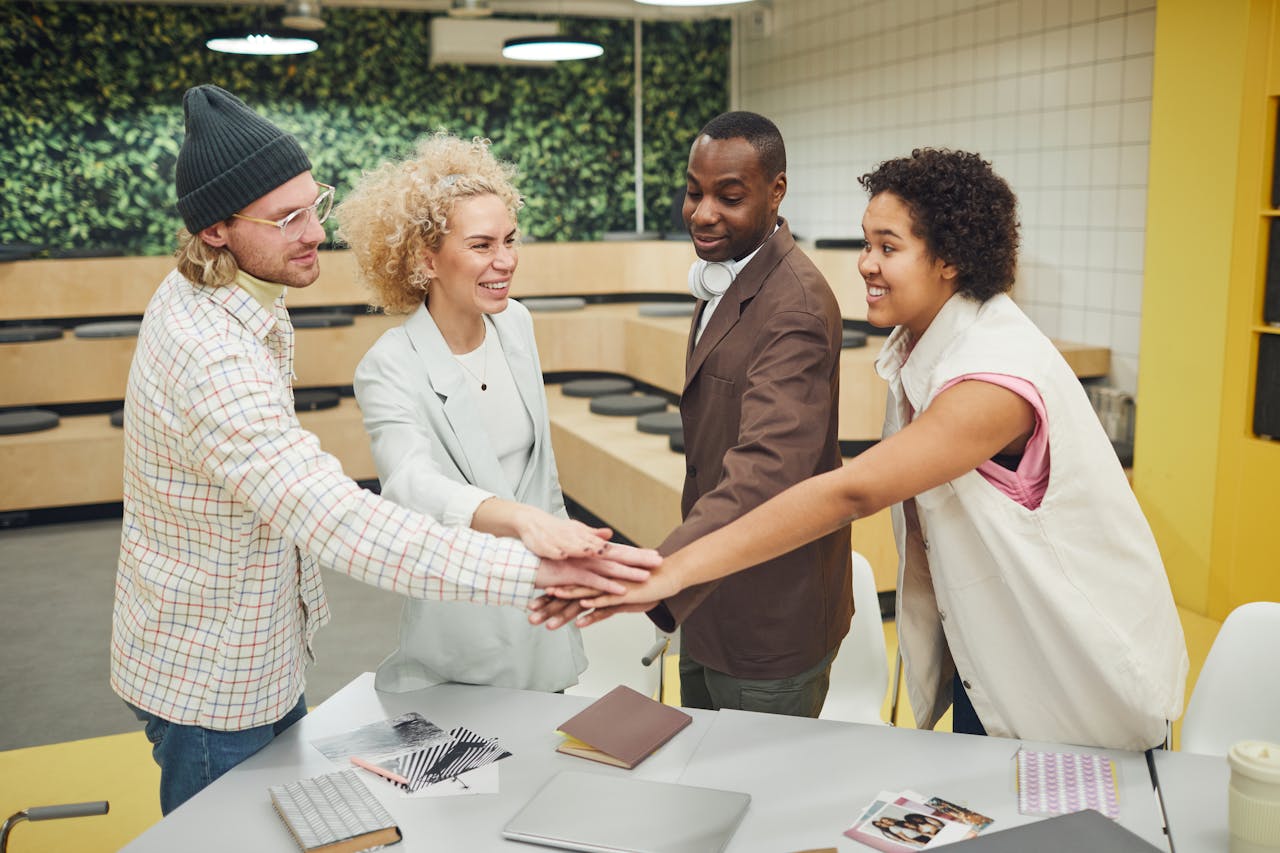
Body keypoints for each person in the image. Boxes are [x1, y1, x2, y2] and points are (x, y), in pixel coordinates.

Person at [110, 85, 657, 815]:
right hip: (212, 675)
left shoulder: (236, 302)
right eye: (286, 218)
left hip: (257, 656)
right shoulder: (214, 354)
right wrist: (538, 566)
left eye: (316, 203)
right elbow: (342, 518)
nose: (314, 231)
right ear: (215, 229)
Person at [535, 148, 1189, 751]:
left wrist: (668, 570)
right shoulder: (924, 344)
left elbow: (852, 490)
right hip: (997, 647)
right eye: (867, 241)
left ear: (950, 259)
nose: (866, 263)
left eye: (888, 246)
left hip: (1077, 659)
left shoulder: (994, 374)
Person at [335, 133, 596, 693]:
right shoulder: (389, 365)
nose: (505, 261)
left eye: (510, 239)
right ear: (426, 260)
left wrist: (562, 554)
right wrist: (519, 520)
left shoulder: (517, 325)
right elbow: (409, 483)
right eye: (481, 246)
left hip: (543, 599)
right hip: (462, 613)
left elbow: (538, 472)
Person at [625, 111, 853, 717]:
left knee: (764, 800)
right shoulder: (727, 279)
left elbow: (768, 468)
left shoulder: (794, 308)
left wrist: (663, 572)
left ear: (777, 191)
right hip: (710, 601)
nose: (702, 214)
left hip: (767, 618)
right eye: (693, 192)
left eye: (729, 197)